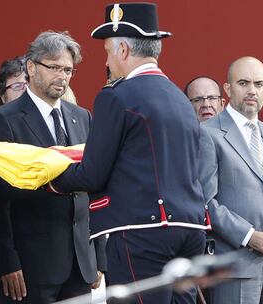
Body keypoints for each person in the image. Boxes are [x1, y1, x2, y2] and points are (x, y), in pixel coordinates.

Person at [50, 3, 207, 303]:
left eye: (108, 51)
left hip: (142, 230)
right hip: (192, 227)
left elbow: (93, 173)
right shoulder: (179, 98)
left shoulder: (116, 95)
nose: (107, 60)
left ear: (123, 49)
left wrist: (48, 176)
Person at [0, 31, 107, 304]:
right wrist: (7, 261)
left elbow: (94, 187)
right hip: (30, 266)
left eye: (68, 70)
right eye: (53, 68)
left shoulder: (82, 116)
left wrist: (99, 254)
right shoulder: (4, 120)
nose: (61, 76)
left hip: (81, 263)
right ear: (31, 67)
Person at [199, 56, 263, 304]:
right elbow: (204, 201)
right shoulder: (208, 133)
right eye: (243, 83)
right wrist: (247, 235)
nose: (252, 91)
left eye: (258, 84)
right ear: (227, 88)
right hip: (235, 268)